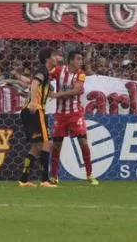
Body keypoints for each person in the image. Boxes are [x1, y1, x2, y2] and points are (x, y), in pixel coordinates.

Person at [48, 50, 98, 185]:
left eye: (81, 59)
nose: (81, 62)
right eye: (78, 59)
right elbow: (46, 78)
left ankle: (90, 174)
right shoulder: (58, 70)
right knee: (57, 145)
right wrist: (49, 90)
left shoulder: (80, 73)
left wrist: (57, 94)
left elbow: (76, 90)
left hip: (75, 113)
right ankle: (54, 176)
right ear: (71, 60)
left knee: (83, 142)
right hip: (60, 114)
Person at [17, 46, 58, 188]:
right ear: (48, 59)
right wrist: (34, 102)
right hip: (35, 110)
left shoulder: (45, 72)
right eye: (55, 56)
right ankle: (45, 180)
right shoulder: (42, 71)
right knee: (48, 143)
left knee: (36, 147)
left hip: (28, 111)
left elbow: (33, 83)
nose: (57, 58)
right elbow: (34, 83)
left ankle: (23, 180)